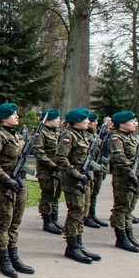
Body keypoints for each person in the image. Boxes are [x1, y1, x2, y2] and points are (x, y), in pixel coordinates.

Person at [0, 102, 35, 278]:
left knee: (15, 223)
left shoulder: (17, 136)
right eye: (14, 114)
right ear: (4, 118)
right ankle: (3, 260)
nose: (17, 116)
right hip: (3, 186)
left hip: (19, 184)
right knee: (3, 223)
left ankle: (14, 256)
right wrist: (7, 179)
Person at [54, 107, 101, 264]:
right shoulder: (68, 135)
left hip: (83, 178)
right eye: (86, 119)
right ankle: (72, 247)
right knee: (76, 211)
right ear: (78, 121)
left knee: (83, 211)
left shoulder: (83, 135)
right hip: (73, 180)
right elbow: (61, 158)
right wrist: (76, 174)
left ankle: (79, 244)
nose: (89, 121)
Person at [107, 110, 139, 253]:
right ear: (122, 124)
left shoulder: (130, 137)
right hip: (124, 178)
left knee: (129, 208)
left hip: (134, 175)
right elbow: (119, 157)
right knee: (121, 207)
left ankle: (129, 235)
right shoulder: (116, 138)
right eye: (131, 121)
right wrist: (131, 174)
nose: (134, 124)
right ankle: (121, 238)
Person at [32, 108, 63, 235]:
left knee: (56, 194)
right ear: (48, 120)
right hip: (46, 169)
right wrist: (52, 165)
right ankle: (47, 221)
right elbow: (38, 151)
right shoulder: (41, 133)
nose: (59, 120)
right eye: (56, 119)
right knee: (48, 194)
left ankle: (54, 218)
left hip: (57, 168)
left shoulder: (57, 132)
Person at [83, 113, 109, 228]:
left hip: (96, 168)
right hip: (89, 168)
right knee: (88, 194)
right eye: (93, 121)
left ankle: (92, 214)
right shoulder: (85, 136)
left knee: (94, 193)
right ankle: (87, 216)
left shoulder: (95, 135)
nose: (95, 123)